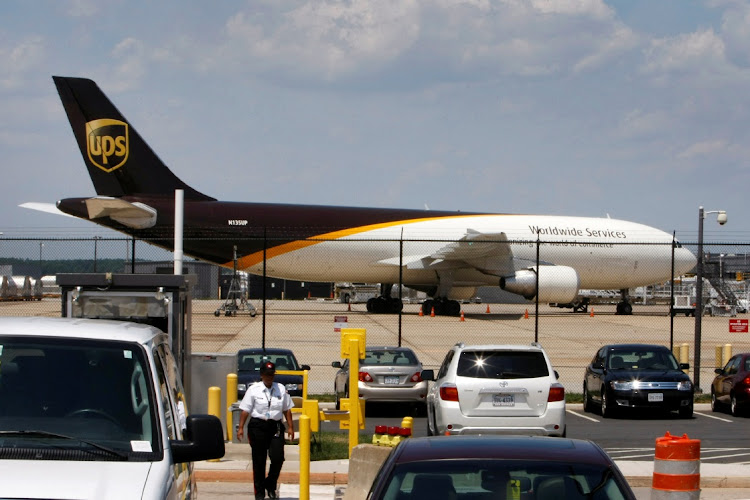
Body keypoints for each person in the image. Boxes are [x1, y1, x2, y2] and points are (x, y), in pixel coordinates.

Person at [236, 361, 295, 500]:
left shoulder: (280, 388)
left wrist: (291, 427)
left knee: (278, 457)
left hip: (275, 426)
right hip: (258, 426)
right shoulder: (253, 389)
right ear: (262, 375)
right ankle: (260, 493)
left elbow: (287, 409)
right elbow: (245, 411)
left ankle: (270, 483)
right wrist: (241, 428)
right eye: (267, 375)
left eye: (272, 375)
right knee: (259, 461)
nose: (270, 377)